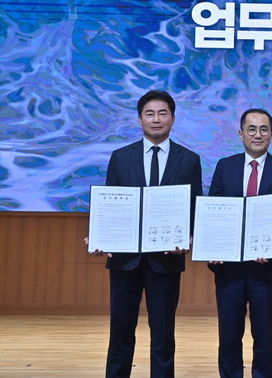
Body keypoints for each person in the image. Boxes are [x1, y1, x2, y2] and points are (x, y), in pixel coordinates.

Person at [92, 90, 203, 378]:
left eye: (162, 113)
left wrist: (189, 237)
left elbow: (194, 207)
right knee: (120, 332)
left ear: (173, 118)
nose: (156, 119)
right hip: (124, 260)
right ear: (139, 119)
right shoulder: (121, 157)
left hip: (166, 260)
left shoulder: (189, 159)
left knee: (163, 335)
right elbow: (110, 204)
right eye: (150, 113)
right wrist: (100, 236)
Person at [207, 108, 272, 378]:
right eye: (251, 129)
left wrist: (269, 245)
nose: (257, 135)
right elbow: (214, 210)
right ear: (241, 134)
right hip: (230, 267)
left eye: (263, 129)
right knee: (228, 336)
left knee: (265, 336)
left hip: (267, 268)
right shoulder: (225, 166)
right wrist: (215, 247)